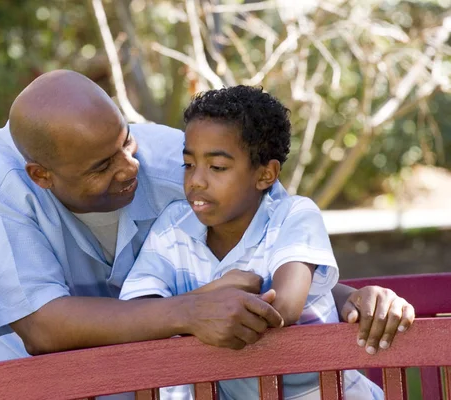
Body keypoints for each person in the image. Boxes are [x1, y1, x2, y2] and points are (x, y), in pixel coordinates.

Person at [0, 70, 414, 384]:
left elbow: (278, 245)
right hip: (48, 385)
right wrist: (189, 311)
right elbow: (42, 328)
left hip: (165, 379)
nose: (130, 167)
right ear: (42, 176)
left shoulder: (185, 163)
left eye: (126, 141)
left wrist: (351, 297)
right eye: (103, 166)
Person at [119, 86, 382, 399]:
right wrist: (211, 296)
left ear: (265, 175)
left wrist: (183, 312)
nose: (196, 180)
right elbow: (136, 312)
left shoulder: (293, 216)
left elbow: (284, 307)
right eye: (189, 164)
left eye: (217, 167)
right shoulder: (172, 227)